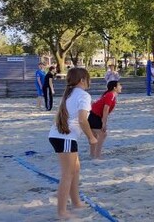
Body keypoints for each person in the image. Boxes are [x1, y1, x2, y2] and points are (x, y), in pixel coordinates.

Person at [48, 68, 98, 219]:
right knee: (67, 174)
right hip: (65, 138)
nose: (89, 82)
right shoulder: (83, 95)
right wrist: (91, 137)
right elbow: (82, 120)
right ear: (82, 80)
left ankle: (76, 202)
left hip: (61, 136)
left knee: (75, 170)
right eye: (88, 79)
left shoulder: (70, 93)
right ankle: (62, 211)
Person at [88, 81, 122, 159]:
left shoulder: (110, 94)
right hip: (94, 116)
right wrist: (104, 123)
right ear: (114, 88)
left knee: (95, 136)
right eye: (119, 85)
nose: (121, 87)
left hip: (93, 115)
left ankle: (93, 155)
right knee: (102, 134)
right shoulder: (111, 95)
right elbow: (105, 109)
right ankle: (97, 156)